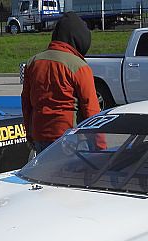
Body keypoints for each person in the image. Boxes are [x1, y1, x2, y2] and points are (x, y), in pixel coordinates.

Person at [21, 12, 100, 154]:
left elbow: (26, 104)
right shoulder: (79, 66)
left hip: (40, 136)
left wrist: (30, 135)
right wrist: (100, 147)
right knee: (72, 176)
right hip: (70, 138)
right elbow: (92, 111)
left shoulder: (33, 63)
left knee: (44, 175)